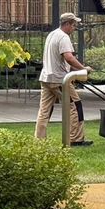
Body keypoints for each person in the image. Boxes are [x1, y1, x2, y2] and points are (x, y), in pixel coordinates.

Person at [35, 12, 92, 145]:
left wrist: (74, 70)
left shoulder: (52, 34)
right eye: (73, 25)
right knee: (75, 106)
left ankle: (39, 140)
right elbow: (69, 58)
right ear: (67, 24)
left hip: (46, 78)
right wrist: (83, 69)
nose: (74, 28)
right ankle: (75, 139)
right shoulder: (63, 37)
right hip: (59, 80)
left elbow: (59, 60)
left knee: (44, 110)